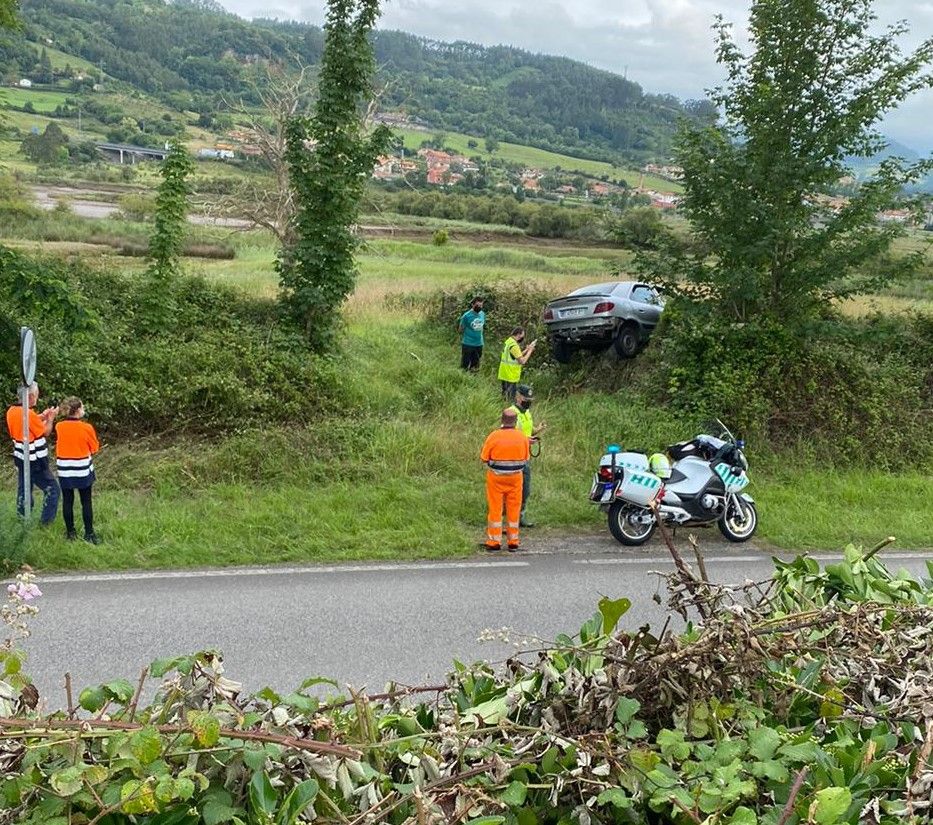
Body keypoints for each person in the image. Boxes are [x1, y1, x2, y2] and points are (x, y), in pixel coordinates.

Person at [5, 382, 59, 525]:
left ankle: (22, 518)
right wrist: (51, 418)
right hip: (35, 459)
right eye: (37, 395)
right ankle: (45, 524)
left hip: (20, 455)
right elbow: (45, 432)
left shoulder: (12, 411)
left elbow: (28, 423)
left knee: (24, 488)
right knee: (52, 489)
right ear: (31, 396)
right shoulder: (28, 414)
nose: (37, 398)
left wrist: (42, 416)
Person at [479, 408, 530, 552]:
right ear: (515, 422)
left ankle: (494, 542)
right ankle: (513, 541)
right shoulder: (522, 437)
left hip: (496, 477)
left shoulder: (494, 436)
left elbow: (484, 458)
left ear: (502, 420)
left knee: (495, 508)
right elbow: (526, 458)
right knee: (514, 508)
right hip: (515, 478)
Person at [54, 397, 100, 544]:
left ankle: (70, 533)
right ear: (78, 410)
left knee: (68, 501)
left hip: (65, 468)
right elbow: (95, 448)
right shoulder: (86, 427)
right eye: (83, 407)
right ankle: (89, 534)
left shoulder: (59, 426)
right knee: (86, 501)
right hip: (82, 468)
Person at [508, 384, 546, 528]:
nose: (528, 401)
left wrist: (538, 430)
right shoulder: (511, 413)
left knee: (525, 490)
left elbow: (529, 431)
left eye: (530, 399)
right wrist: (526, 440)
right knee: (512, 490)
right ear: (518, 397)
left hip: (525, 457)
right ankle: (509, 519)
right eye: (525, 398)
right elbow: (508, 435)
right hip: (513, 458)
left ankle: (520, 517)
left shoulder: (526, 413)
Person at [497, 326, 537, 401]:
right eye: (522, 336)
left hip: (504, 372)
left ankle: (503, 407)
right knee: (510, 398)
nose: (523, 338)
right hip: (510, 374)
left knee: (504, 395)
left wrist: (526, 350)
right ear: (518, 334)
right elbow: (522, 361)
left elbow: (515, 356)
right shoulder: (514, 346)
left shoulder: (509, 342)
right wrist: (530, 351)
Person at [458, 296, 486, 372]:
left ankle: (473, 377)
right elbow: (460, 329)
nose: (479, 307)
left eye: (481, 305)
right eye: (477, 305)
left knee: (476, 365)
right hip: (468, 343)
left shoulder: (482, 314)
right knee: (465, 364)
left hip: (479, 344)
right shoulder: (466, 316)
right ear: (472, 305)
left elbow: (482, 326)